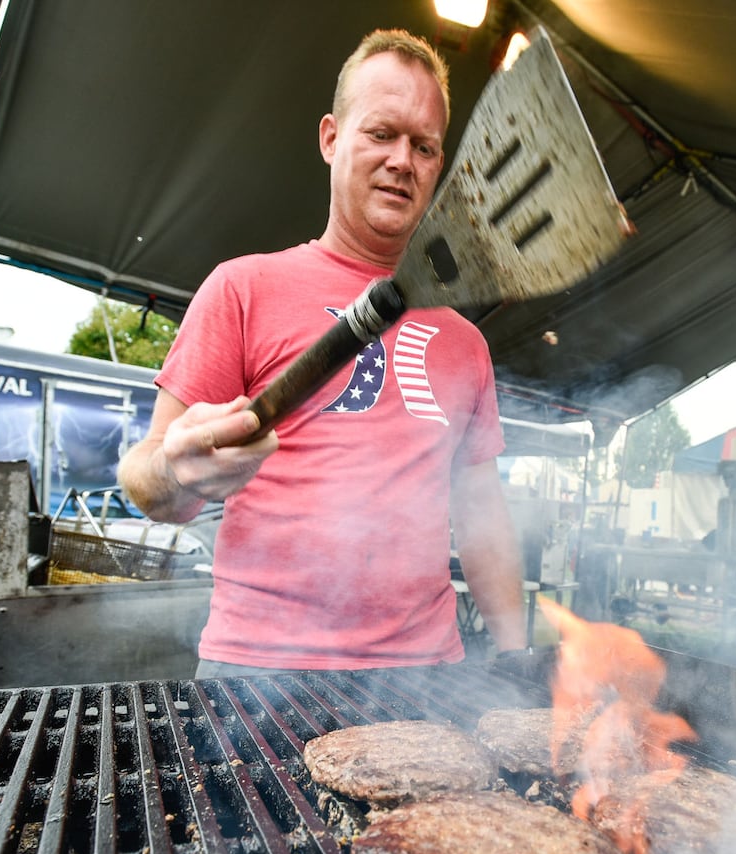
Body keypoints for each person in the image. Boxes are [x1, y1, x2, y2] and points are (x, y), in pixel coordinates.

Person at [118, 28, 527, 676]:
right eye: (382, 133)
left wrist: (515, 654)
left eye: (424, 147)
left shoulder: (466, 343)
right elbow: (147, 480)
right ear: (331, 137)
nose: (403, 161)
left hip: (424, 682)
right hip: (258, 674)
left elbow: (482, 512)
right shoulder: (243, 288)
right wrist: (175, 472)